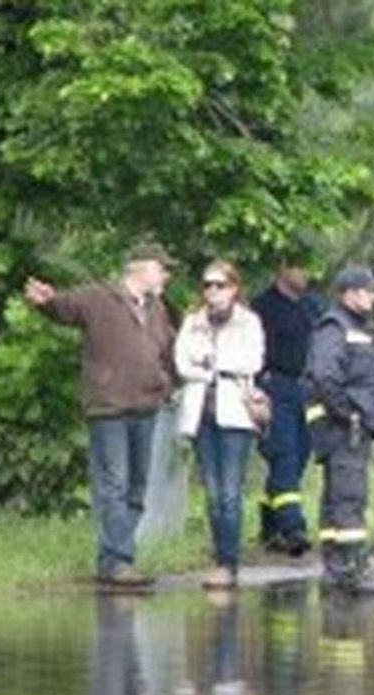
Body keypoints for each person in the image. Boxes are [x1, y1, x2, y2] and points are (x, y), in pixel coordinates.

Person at [24, 242, 176, 588]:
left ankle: (113, 560)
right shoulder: (98, 297)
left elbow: (169, 349)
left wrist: (166, 383)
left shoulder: (158, 309)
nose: (165, 274)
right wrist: (47, 301)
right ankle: (119, 560)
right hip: (108, 406)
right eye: (161, 267)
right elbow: (65, 308)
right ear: (139, 267)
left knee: (137, 487)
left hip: (146, 405)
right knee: (114, 484)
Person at [174, 260, 265, 590]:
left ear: (234, 288)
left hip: (235, 413)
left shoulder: (248, 322)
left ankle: (229, 562)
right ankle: (220, 558)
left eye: (220, 285)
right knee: (212, 493)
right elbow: (182, 363)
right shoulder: (193, 322)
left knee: (229, 492)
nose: (213, 291)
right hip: (202, 413)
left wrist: (214, 364)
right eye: (207, 285)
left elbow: (252, 361)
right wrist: (208, 368)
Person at [304, 265, 374, 595]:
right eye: (368, 290)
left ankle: (336, 567)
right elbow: (326, 376)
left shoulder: (360, 327)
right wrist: (349, 413)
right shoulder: (335, 327)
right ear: (349, 293)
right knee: (349, 496)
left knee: (336, 496)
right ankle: (352, 568)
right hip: (341, 426)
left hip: (347, 423)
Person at [251, 265, 323, 556]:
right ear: (282, 269)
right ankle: (294, 527)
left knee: (300, 455)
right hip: (274, 386)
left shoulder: (312, 307)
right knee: (284, 454)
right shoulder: (262, 307)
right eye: (299, 267)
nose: (306, 274)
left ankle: (271, 528)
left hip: (305, 389)